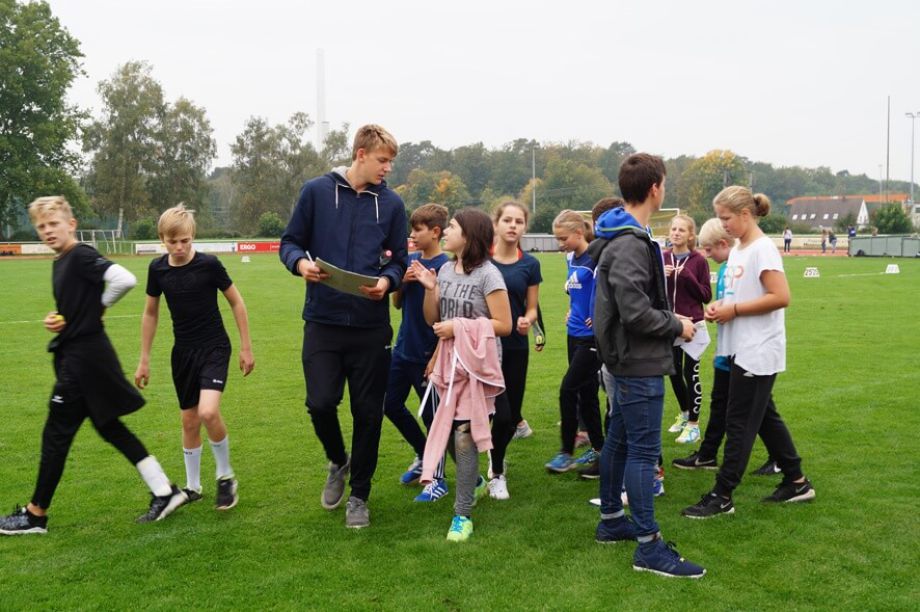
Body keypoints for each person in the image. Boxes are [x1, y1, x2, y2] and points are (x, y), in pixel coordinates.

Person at [0, 196, 187, 535]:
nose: (47, 231)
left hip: (83, 362)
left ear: (71, 224)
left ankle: (35, 515)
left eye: (53, 224)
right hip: (84, 356)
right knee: (109, 427)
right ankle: (165, 492)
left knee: (56, 434)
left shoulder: (80, 255)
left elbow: (125, 279)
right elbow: (76, 307)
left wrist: (98, 306)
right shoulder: (62, 261)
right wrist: (61, 318)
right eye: (41, 226)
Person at [279, 124, 408, 529]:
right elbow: (290, 242)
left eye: (390, 162)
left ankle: (359, 496)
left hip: (371, 327)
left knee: (368, 414)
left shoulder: (392, 204)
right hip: (323, 321)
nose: (388, 168)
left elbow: (399, 260)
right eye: (383, 160)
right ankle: (338, 460)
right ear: (360, 154)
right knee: (320, 403)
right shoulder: (316, 192)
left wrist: (387, 281)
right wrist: (300, 264)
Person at [591, 153, 705, 579]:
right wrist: (677, 324)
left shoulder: (627, 236)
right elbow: (635, 312)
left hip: (628, 358)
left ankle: (611, 521)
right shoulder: (628, 243)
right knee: (641, 452)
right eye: (665, 184)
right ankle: (648, 547)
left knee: (619, 441)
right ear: (655, 188)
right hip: (636, 361)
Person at [682, 186, 815, 520]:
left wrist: (735, 310)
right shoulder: (740, 248)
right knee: (765, 418)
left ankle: (722, 495)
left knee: (739, 423)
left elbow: (781, 296)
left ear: (745, 214)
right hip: (739, 348)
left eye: (726, 218)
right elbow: (739, 294)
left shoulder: (762, 249)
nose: (723, 224)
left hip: (758, 350)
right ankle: (797, 481)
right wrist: (720, 306)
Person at [134, 204, 255, 511]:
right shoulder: (157, 269)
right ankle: (193, 487)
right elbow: (150, 313)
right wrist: (144, 359)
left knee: (208, 412)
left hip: (215, 347)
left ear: (193, 237)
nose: (179, 247)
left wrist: (246, 347)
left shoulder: (209, 265)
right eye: (172, 241)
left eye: (185, 240)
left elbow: (237, 302)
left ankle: (225, 477)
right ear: (162, 239)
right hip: (183, 353)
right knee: (189, 421)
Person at [413, 208, 512, 542]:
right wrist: (431, 289)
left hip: (478, 368)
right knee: (448, 431)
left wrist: (459, 326)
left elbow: (504, 324)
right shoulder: (444, 269)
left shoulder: (489, 275)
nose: (446, 232)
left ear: (469, 236)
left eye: (452, 227)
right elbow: (433, 319)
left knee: (463, 436)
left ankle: (462, 515)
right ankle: (476, 481)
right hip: (449, 366)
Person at [672, 219, 780, 477]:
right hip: (728, 350)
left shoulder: (744, 264)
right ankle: (708, 455)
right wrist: (716, 310)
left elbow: (759, 302)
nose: (707, 255)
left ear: (723, 243)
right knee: (724, 403)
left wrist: (727, 311)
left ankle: (778, 464)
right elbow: (727, 303)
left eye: (709, 249)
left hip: (746, 351)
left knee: (756, 411)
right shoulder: (725, 269)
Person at [385, 203, 451, 502]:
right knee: (389, 404)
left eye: (418, 230)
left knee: (432, 417)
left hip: (429, 355)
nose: (412, 235)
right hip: (402, 350)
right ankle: (424, 454)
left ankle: (438, 479)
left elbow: (447, 317)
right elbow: (397, 303)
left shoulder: (446, 267)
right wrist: (402, 282)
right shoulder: (410, 261)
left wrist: (437, 355)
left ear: (435, 232)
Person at [487, 201, 542, 499]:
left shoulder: (530, 264)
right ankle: (497, 472)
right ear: (496, 224)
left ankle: (495, 456)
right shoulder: (482, 261)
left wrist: (527, 320)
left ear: (524, 227)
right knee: (498, 414)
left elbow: (532, 307)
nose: (513, 226)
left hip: (516, 347)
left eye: (518, 221)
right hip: (485, 347)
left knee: (510, 416)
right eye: (507, 220)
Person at [544, 210, 604, 475]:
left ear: (579, 233)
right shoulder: (570, 258)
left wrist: (597, 314)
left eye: (563, 238)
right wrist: (573, 311)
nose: (560, 244)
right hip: (573, 333)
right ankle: (600, 448)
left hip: (591, 338)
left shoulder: (596, 258)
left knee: (568, 389)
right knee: (587, 393)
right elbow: (576, 293)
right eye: (557, 239)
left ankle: (566, 452)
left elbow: (604, 290)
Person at [663, 214, 712, 445]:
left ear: (691, 235)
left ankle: (694, 425)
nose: (676, 233)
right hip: (671, 323)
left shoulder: (698, 261)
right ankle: (684, 413)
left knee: (690, 373)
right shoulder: (663, 257)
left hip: (693, 325)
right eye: (674, 229)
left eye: (681, 230)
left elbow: (706, 295)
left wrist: (688, 276)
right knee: (673, 371)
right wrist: (662, 277)